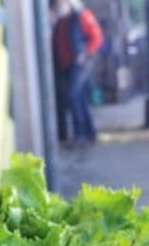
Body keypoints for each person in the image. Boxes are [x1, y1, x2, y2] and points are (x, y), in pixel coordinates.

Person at [52, 0, 104, 145]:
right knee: (80, 98)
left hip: (80, 65)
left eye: (60, 4)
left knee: (73, 96)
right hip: (67, 66)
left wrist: (85, 53)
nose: (58, 7)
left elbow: (97, 38)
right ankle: (89, 133)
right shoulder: (62, 21)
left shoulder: (82, 16)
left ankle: (80, 134)